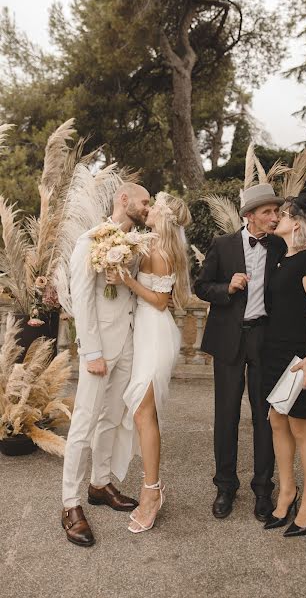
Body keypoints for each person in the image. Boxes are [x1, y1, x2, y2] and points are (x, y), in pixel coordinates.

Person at [194, 183, 306, 521]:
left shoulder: (279, 244)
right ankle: (225, 486)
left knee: (267, 416)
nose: (274, 217)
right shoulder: (222, 245)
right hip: (229, 339)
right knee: (226, 415)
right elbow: (200, 286)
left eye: (277, 212)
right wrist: (225, 288)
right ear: (249, 216)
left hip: (266, 341)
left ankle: (264, 489)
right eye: (267, 212)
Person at [61, 182, 150, 547]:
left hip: (128, 346)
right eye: (144, 201)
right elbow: (82, 300)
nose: (148, 207)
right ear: (124, 199)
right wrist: (91, 351)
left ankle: (99, 484)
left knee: (112, 419)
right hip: (99, 351)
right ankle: (69, 504)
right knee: (83, 424)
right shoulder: (90, 240)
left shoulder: (138, 245)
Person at [108, 192, 192, 534]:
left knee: (143, 413)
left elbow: (160, 301)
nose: (150, 208)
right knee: (144, 413)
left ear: (164, 216)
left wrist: (126, 281)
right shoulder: (147, 245)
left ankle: (152, 491)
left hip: (156, 334)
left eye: (155, 205)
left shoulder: (161, 253)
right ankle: (153, 486)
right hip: (142, 332)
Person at [263, 193, 306, 537]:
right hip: (276, 354)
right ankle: (287, 491)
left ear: (297, 223)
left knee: (302, 427)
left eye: (283, 215)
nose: (277, 219)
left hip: (301, 356)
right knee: (277, 420)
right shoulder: (282, 257)